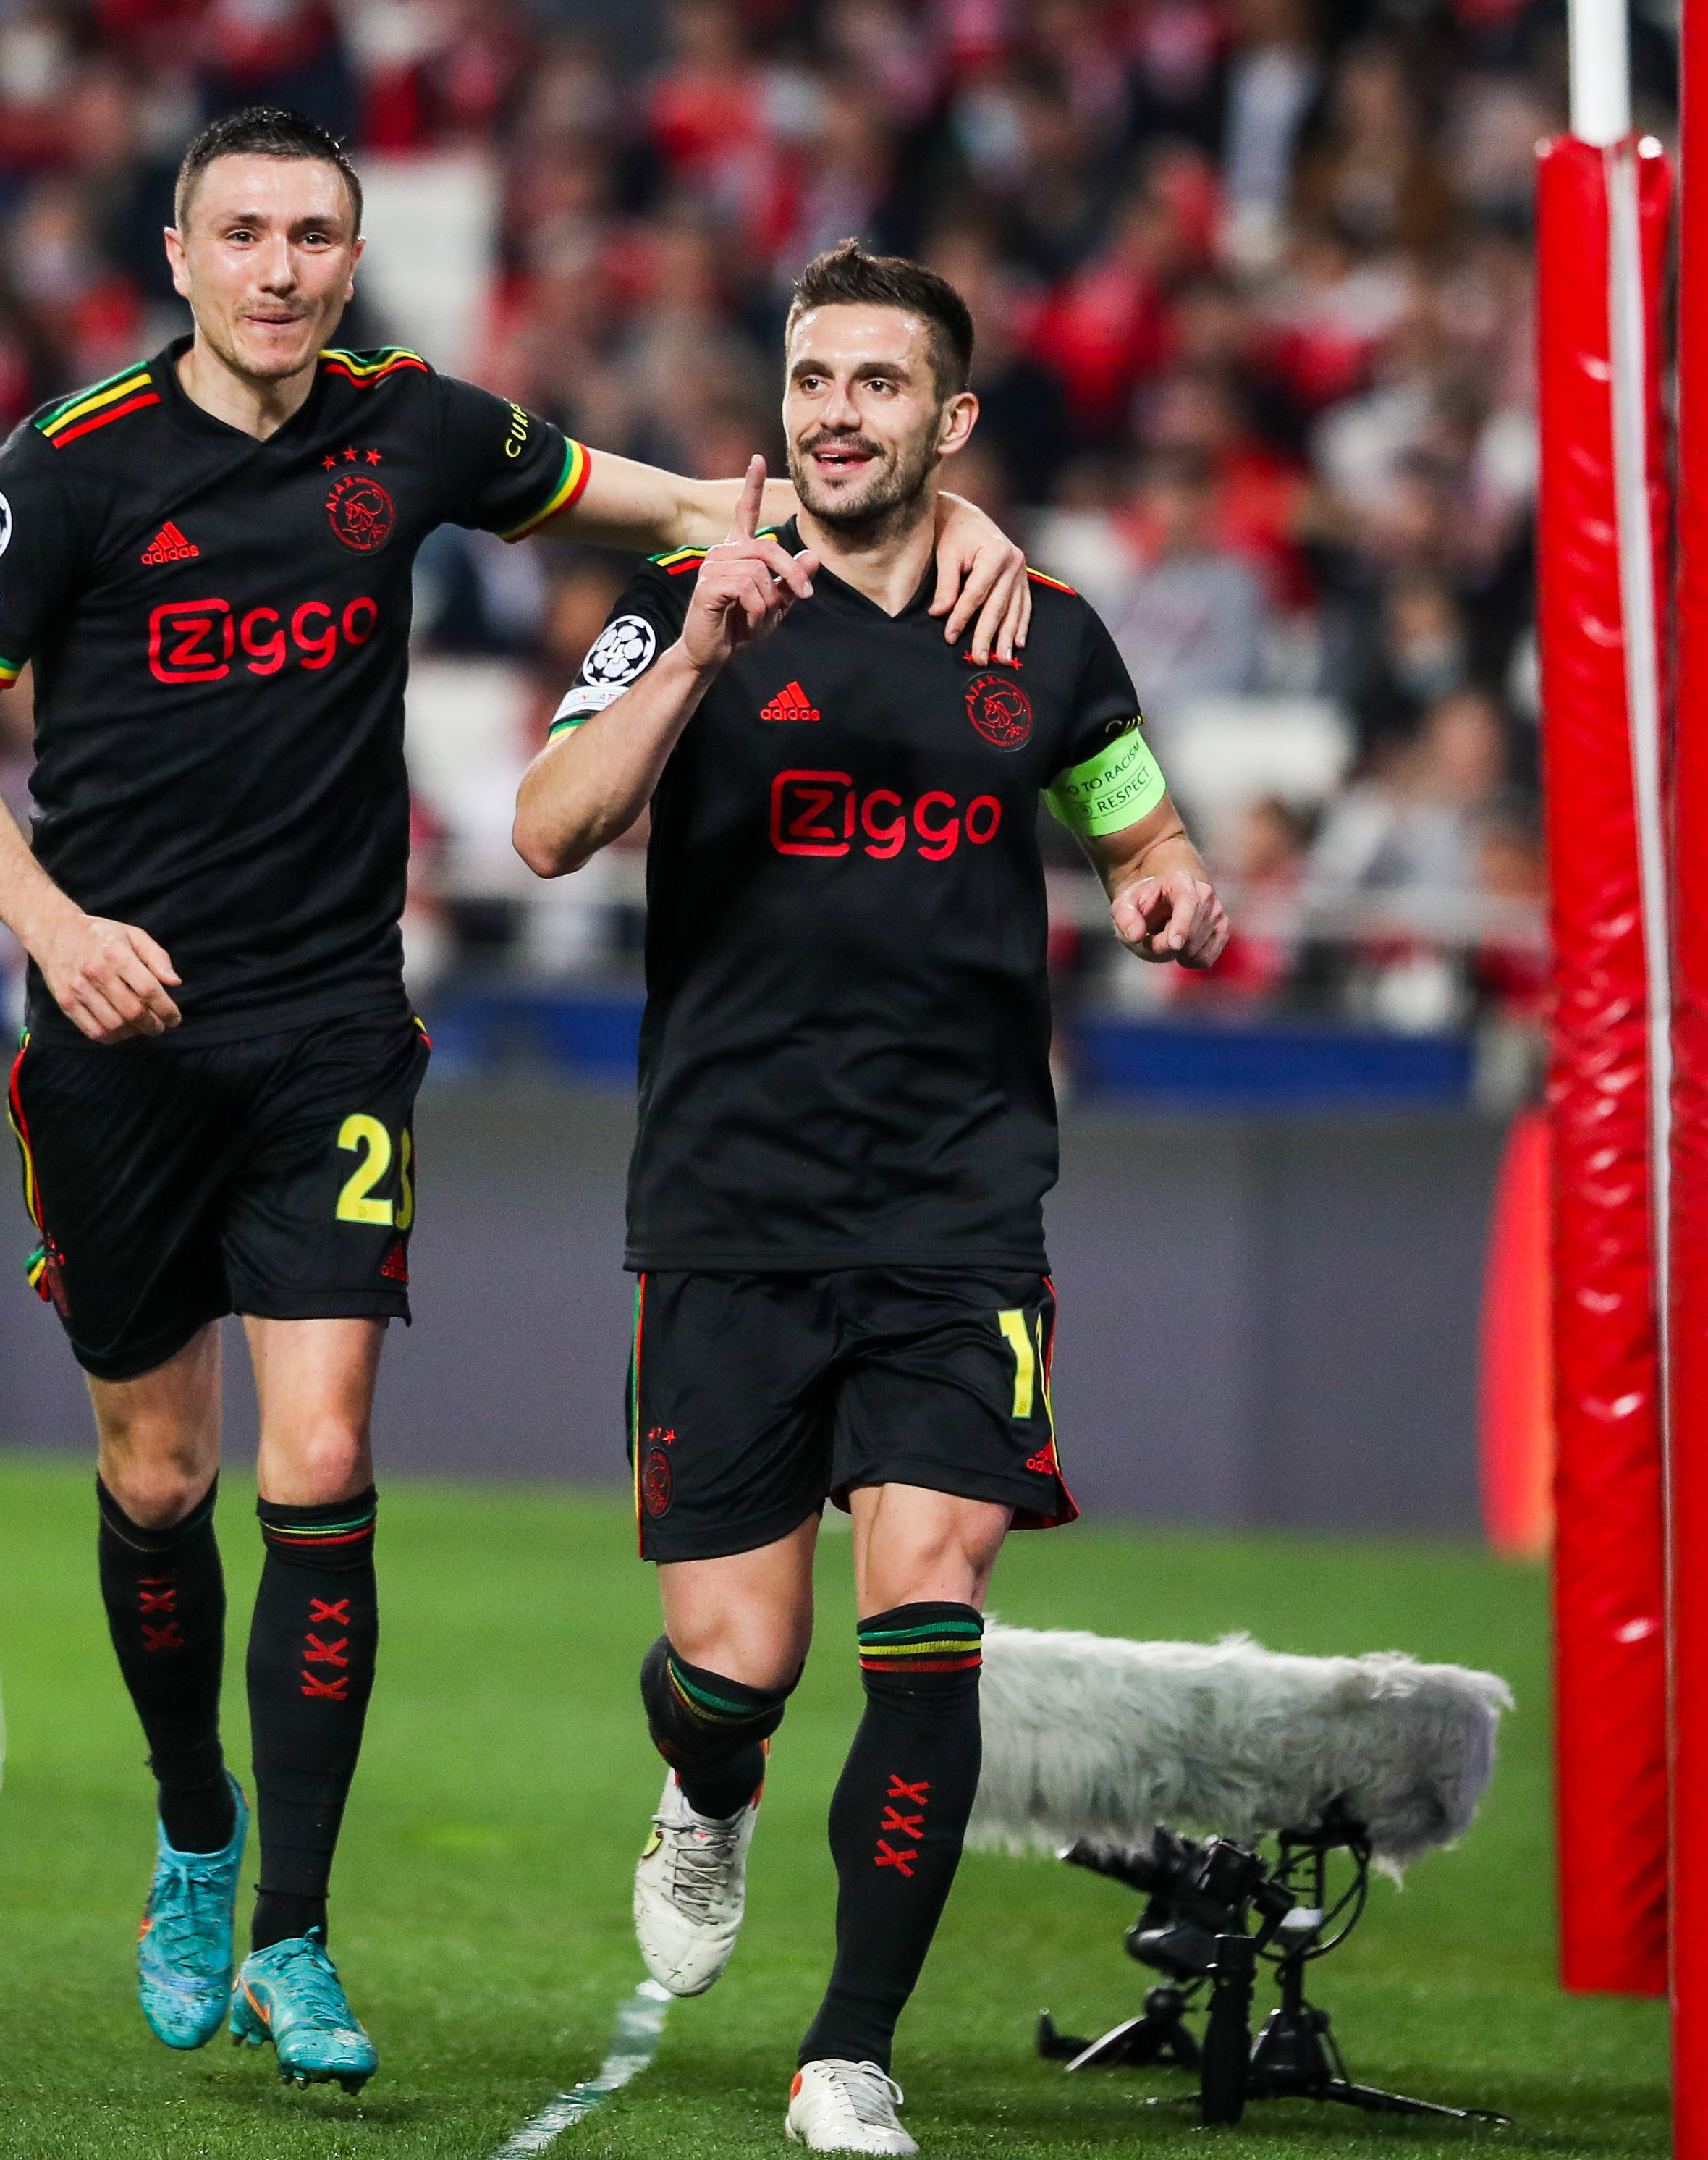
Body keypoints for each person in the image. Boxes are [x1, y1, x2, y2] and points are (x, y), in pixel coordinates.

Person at [0, 111, 1033, 2091]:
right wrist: (51, 924)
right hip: (114, 1033)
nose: (281, 266)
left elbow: (681, 506)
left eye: (314, 234)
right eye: (242, 233)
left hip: (329, 1023)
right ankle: (193, 1825)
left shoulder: (410, 430)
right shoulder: (64, 471)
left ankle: (298, 1933)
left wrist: (938, 525)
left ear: (345, 256)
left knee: (318, 1461)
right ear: (178, 254)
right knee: (161, 1477)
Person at [512, 242, 1228, 2156]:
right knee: (734, 1668)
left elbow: (1137, 813)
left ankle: (849, 2050)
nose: (839, 410)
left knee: (929, 1604)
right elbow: (549, 825)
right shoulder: (685, 594)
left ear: (948, 419)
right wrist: (699, 653)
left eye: (879, 383)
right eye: (814, 377)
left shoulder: (1049, 631)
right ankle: (707, 1786)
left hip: (957, 1205)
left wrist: (1164, 878)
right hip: (731, 1200)